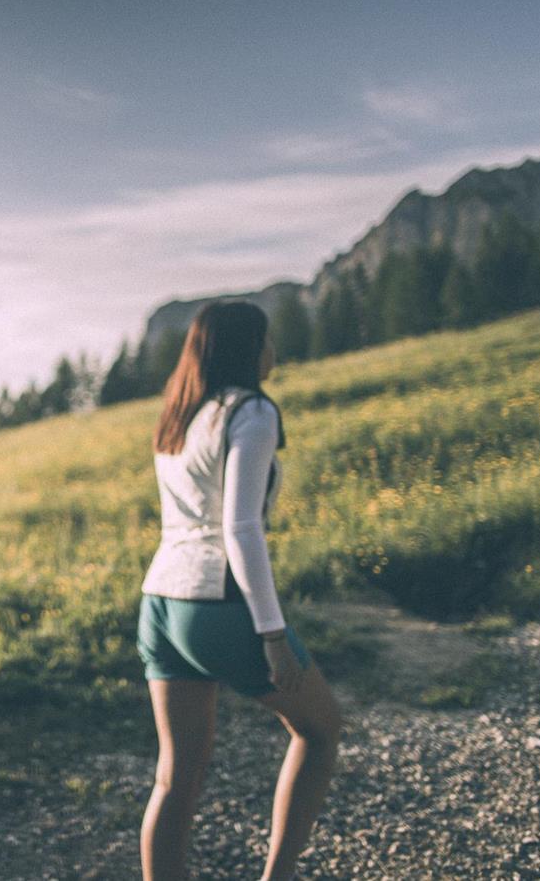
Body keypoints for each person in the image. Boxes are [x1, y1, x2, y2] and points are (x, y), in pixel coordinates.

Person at [136, 302, 342, 881]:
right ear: (249, 349)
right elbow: (241, 526)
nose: (274, 348)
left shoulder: (180, 414)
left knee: (175, 776)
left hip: (160, 605)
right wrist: (272, 634)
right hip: (218, 604)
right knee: (321, 732)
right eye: (268, 338)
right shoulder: (251, 412)